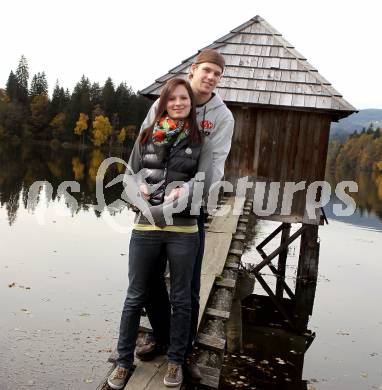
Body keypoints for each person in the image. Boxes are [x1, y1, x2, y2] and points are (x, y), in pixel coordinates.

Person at [135, 49, 235, 383]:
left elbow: (215, 168)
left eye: (217, 74)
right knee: (147, 280)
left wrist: (185, 194)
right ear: (194, 70)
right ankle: (162, 334)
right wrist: (140, 187)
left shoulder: (221, 117)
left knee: (188, 287)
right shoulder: (167, 99)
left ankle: (183, 350)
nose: (210, 77)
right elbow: (142, 145)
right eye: (206, 70)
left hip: (192, 207)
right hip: (152, 203)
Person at [107, 77, 213, 389]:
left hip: (184, 228)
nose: (179, 103)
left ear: (191, 104)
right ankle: (124, 361)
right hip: (146, 225)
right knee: (134, 296)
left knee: (181, 299)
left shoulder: (199, 140)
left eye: (184, 98)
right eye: (172, 99)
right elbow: (129, 177)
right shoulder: (146, 137)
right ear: (164, 103)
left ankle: (177, 362)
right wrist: (138, 184)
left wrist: (186, 188)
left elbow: (205, 179)